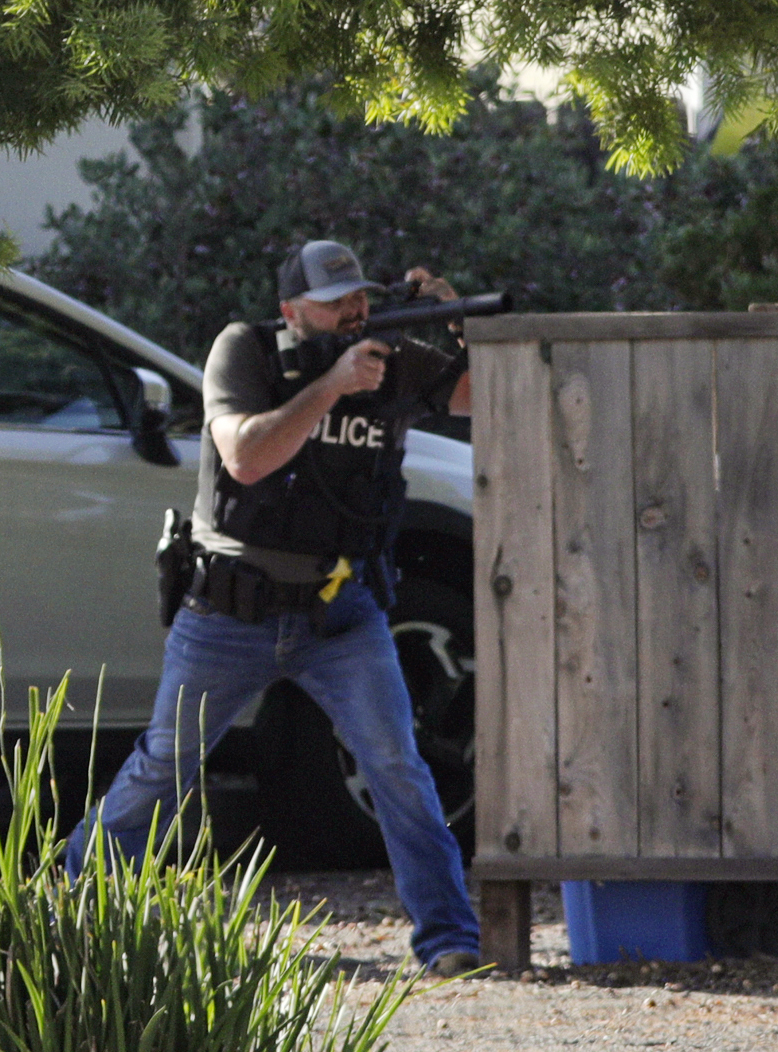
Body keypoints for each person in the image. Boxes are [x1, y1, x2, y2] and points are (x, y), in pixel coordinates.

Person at [66, 238, 482, 978]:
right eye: (334, 304)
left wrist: (454, 324)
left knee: (396, 764)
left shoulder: (390, 358)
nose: (353, 313)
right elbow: (246, 456)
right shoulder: (247, 351)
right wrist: (331, 385)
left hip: (340, 610)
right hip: (231, 608)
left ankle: (449, 938)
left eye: (359, 298)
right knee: (166, 763)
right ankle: (69, 905)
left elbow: (492, 393)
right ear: (293, 311)